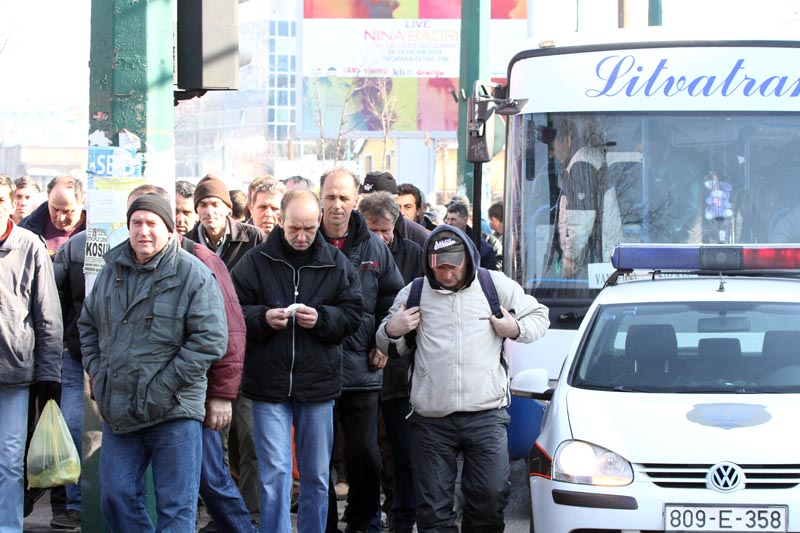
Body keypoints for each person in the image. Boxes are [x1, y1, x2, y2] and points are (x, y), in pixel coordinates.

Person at [376, 225, 550, 533]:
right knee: (433, 511)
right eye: (439, 266)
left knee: (490, 498)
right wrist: (393, 329)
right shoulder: (414, 292)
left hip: (486, 415)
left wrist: (515, 329)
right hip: (431, 419)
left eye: (452, 266)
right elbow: (386, 343)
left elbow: (540, 316)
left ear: (467, 259)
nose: (446, 274)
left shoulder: (493, 284)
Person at [78, 193, 227, 530]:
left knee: (176, 508)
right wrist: (99, 374)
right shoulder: (111, 270)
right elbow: (87, 324)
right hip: (120, 409)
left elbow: (210, 340)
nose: (143, 231)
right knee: (115, 497)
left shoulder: (193, 274)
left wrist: (163, 386)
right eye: (136, 223)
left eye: (151, 223)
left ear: (170, 230)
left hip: (174, 410)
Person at [231, 189, 363, 533]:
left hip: (317, 384)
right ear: (280, 221)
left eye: (309, 228)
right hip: (268, 384)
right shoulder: (256, 260)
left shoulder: (336, 263)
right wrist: (262, 318)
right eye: (294, 229)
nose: (302, 236)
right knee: (274, 473)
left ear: (319, 221)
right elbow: (233, 311)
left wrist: (322, 319)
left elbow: (353, 315)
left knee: (316, 476)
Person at [319, 168, 404, 533]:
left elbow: (393, 299)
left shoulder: (373, 246)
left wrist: (383, 343)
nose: (337, 205)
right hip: (315, 371)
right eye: (330, 197)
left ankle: (363, 524)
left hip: (362, 369)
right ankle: (322, 525)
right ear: (321, 199)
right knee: (318, 459)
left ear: (356, 200)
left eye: (343, 197)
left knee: (366, 456)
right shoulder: (306, 239)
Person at [185, 174, 266, 527]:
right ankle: (220, 516)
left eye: (215, 204)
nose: (209, 211)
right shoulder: (187, 245)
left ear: (228, 208)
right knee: (213, 445)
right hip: (208, 361)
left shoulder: (253, 239)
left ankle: (251, 514)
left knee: (250, 440)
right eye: (203, 205)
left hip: (249, 357)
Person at [0, 174, 62, 531]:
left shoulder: (29, 246)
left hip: (14, 372)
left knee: (10, 459)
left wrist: (49, 376)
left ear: (11, 204)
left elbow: (47, 315)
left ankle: (8, 526)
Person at [358, 191, 423, 533]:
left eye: (386, 230)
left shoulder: (413, 254)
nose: (381, 237)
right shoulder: (355, 251)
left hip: (401, 369)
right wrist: (375, 342)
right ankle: (368, 513)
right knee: (367, 450)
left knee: (404, 449)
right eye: (374, 230)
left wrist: (389, 342)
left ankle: (403, 516)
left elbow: (417, 307)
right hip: (361, 365)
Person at [19, 174, 86, 258]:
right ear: (48, 198)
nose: (61, 218)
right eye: (55, 209)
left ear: (82, 202)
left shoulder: (95, 233)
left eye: (67, 211)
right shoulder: (26, 229)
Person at [361, 171, 429, 248]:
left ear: (396, 200)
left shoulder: (418, 236)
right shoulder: (352, 231)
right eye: (367, 202)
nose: (373, 208)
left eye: (381, 203)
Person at [444, 202, 501, 271]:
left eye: (453, 219)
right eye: (448, 219)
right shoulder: (442, 239)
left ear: (465, 220)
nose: (449, 223)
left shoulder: (479, 242)